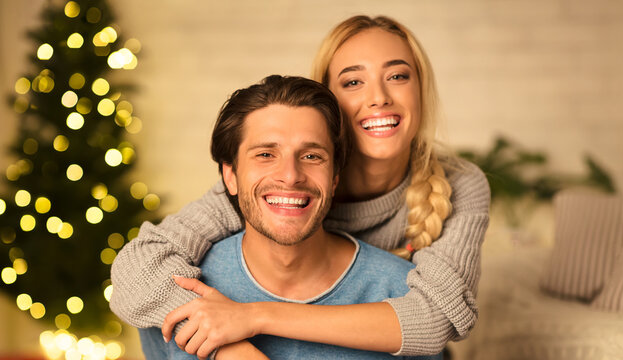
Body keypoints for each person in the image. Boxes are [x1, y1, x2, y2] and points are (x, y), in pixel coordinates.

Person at [110, 15, 490, 357]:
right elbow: (138, 267)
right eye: (353, 81)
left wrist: (253, 317)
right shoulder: (271, 186)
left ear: (421, 90)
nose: (378, 97)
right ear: (330, 101)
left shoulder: (459, 184)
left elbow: (436, 319)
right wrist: (228, 344)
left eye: (398, 76)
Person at [137, 75, 441, 359]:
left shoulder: (403, 293)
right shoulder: (176, 291)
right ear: (230, 176)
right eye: (266, 155)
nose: (291, 176)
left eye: (312, 156)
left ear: (334, 178)